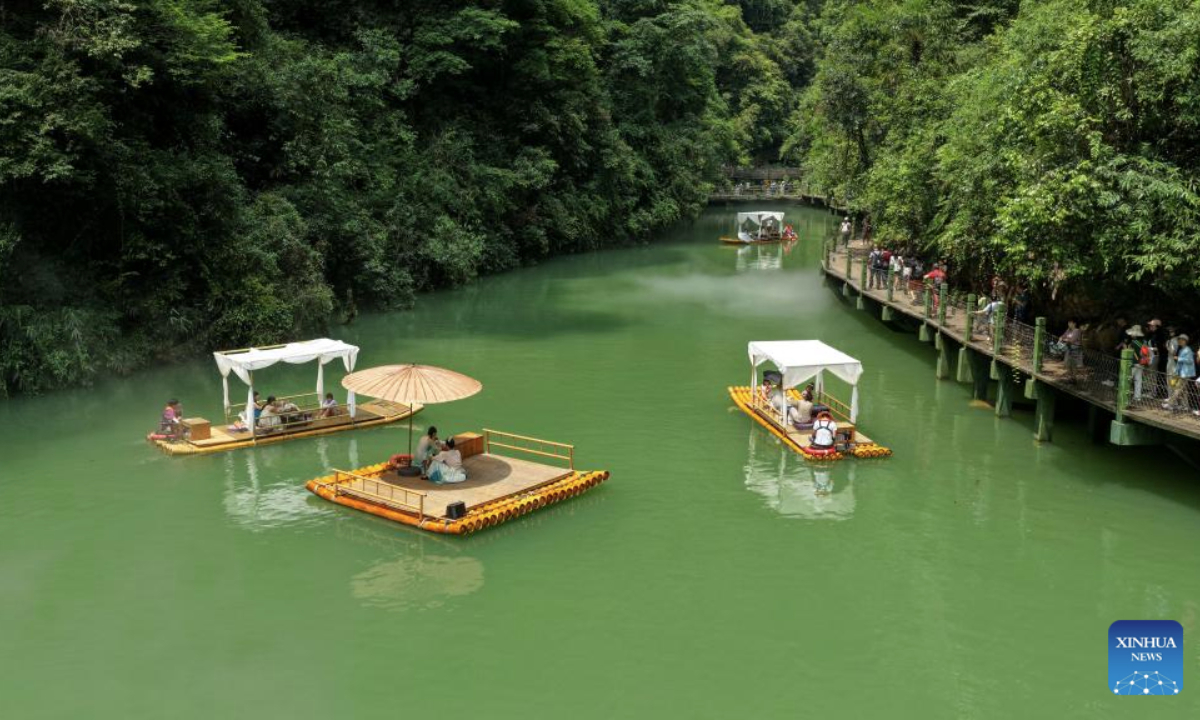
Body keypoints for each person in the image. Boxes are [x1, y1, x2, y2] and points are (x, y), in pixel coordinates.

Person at [1164, 334, 1195, 413]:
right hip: (1182, 372)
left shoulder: (1188, 350)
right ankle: (1185, 406)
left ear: (1185, 341)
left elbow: (1190, 361)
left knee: (1178, 388)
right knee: (1183, 390)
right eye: (1179, 340)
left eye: (1181, 340)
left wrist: (1179, 358)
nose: (1179, 341)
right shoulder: (1182, 350)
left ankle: (1170, 404)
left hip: (1186, 373)